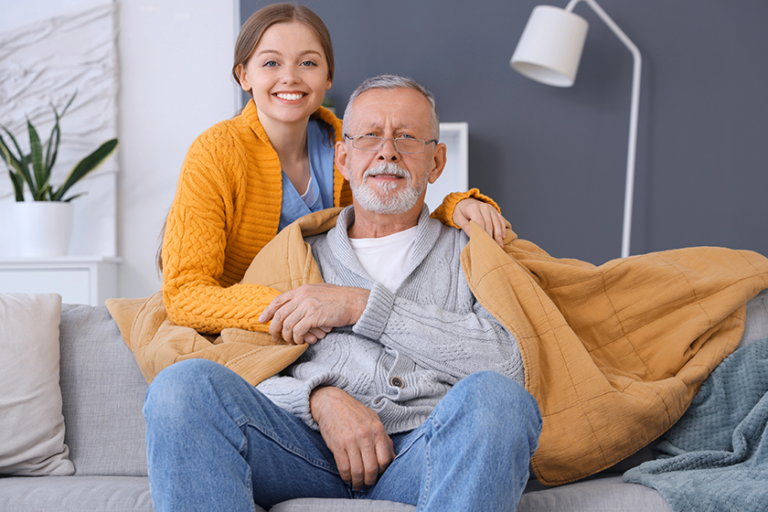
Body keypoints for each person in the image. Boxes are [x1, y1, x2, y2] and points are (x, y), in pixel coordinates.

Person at [143, 75, 542, 511]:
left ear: (437, 162)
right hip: (302, 453)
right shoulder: (294, 253)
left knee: (499, 400)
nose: (387, 151)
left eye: (407, 137)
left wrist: (362, 306)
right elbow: (246, 365)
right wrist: (317, 399)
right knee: (182, 388)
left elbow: (511, 365)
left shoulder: (472, 250)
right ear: (343, 159)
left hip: (427, 453)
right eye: (370, 136)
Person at [159, 3, 506, 338]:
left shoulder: (354, 142)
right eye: (271, 63)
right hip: (253, 330)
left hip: (339, 328)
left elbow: (395, 205)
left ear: (328, 77)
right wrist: (293, 308)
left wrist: (455, 206)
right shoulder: (215, 152)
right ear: (244, 75)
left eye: (308, 63)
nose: (290, 77)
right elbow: (184, 293)